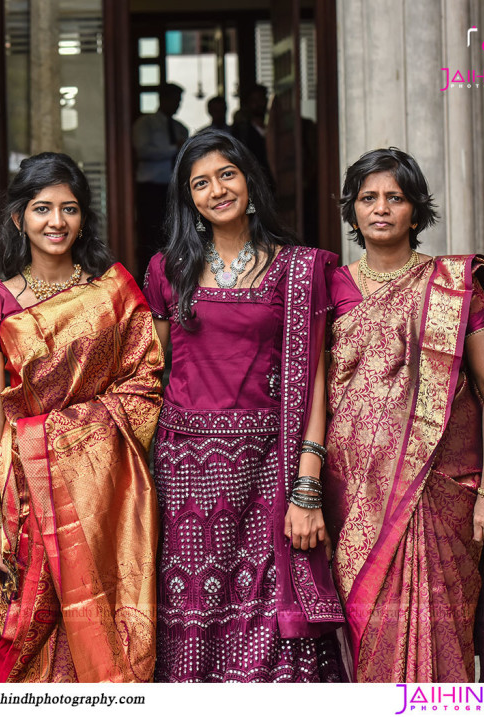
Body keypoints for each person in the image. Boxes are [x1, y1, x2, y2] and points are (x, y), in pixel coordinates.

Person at [323, 147, 484, 682]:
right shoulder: (330, 289)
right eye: (367, 198)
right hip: (355, 497)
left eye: (395, 198)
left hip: (443, 493)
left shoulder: (454, 286)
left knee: (444, 635)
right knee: (370, 637)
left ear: (416, 211)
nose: (381, 209)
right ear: (352, 211)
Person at [142, 129, 344, 682]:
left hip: (269, 468)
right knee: (192, 616)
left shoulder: (298, 271)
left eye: (226, 174)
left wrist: (307, 483)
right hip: (185, 472)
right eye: (200, 183)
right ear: (189, 200)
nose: (217, 190)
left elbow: (316, 382)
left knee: (269, 622)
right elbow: (151, 374)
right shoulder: (168, 271)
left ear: (250, 181)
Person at [0, 152, 164, 682]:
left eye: (69, 209)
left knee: (105, 628)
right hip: (22, 496)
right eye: (42, 209)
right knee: (30, 634)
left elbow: (144, 389)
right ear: (18, 218)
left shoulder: (113, 293)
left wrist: (67, 439)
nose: (56, 222)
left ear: (83, 217)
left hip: (104, 500)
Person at [133, 82, 189, 279]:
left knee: (174, 232)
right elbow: (143, 151)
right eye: (174, 99)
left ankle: (172, 276)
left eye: (179, 100)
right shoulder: (145, 124)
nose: (177, 104)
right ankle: (147, 277)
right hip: (151, 187)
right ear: (163, 99)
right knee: (150, 233)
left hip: (174, 188)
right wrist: (174, 148)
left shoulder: (181, 128)